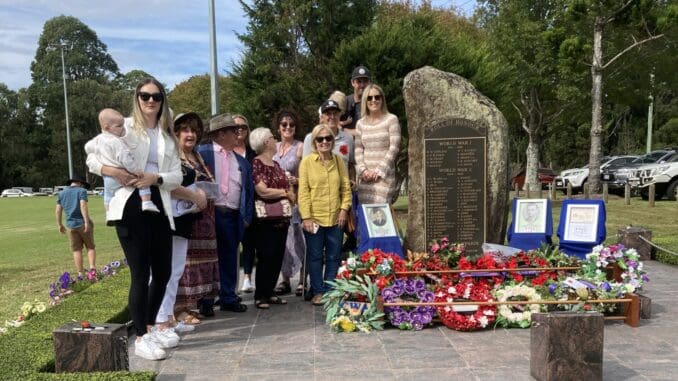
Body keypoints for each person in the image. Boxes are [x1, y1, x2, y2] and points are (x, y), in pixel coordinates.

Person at [86, 77, 183, 361]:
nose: (150, 101)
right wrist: (112, 171)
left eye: (156, 96)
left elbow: (176, 174)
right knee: (141, 273)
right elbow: (92, 156)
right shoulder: (123, 126)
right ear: (137, 98)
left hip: (160, 201)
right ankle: (140, 335)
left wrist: (157, 177)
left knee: (163, 271)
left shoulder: (167, 136)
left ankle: (151, 327)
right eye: (144, 96)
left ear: (162, 100)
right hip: (130, 203)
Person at [153, 112, 209, 333]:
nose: (190, 134)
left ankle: (168, 318)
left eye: (193, 130)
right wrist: (194, 196)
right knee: (161, 272)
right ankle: (160, 321)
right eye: (184, 130)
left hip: (183, 219)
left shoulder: (186, 156)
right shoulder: (166, 155)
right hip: (167, 218)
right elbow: (164, 185)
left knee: (175, 271)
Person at [197, 113, 253, 313]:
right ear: (221, 134)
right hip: (209, 213)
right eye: (233, 130)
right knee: (207, 257)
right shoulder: (202, 153)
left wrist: (246, 217)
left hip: (232, 214)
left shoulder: (241, 161)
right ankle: (206, 301)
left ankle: (228, 297)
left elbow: (247, 190)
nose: (238, 134)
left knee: (230, 257)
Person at [298, 124, 352, 306]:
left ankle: (329, 290)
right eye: (320, 139)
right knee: (314, 256)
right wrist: (306, 217)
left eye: (328, 138)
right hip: (314, 218)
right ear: (314, 142)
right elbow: (303, 192)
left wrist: (344, 209)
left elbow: (346, 188)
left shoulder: (338, 161)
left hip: (336, 217)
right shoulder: (306, 163)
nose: (324, 142)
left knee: (333, 256)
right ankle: (318, 291)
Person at [249, 127, 294, 309]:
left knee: (277, 255)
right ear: (266, 142)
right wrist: (285, 192)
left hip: (281, 218)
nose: (275, 140)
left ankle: (270, 291)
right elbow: (262, 190)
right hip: (265, 219)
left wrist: (290, 191)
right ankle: (260, 295)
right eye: (272, 137)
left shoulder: (276, 165)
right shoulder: (256, 163)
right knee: (266, 255)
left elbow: (287, 184)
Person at [84, 108, 160, 216]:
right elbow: (125, 159)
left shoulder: (98, 139)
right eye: (119, 126)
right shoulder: (117, 141)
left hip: (108, 179)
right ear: (107, 127)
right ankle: (146, 201)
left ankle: (109, 213)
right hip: (123, 174)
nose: (123, 129)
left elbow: (88, 148)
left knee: (108, 195)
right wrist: (134, 170)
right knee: (142, 182)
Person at [271, 109, 306, 297]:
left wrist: (297, 180)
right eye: (284, 124)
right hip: (277, 202)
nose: (288, 127)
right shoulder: (273, 148)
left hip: (296, 200)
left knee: (298, 239)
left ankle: (302, 279)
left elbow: (307, 175)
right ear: (278, 128)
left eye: (291, 124)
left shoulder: (300, 147)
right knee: (282, 241)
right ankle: (284, 280)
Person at [355, 83, 401, 205]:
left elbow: (394, 147)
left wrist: (379, 171)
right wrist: (363, 171)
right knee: (365, 217)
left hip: (384, 177)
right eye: (369, 98)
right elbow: (358, 149)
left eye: (377, 97)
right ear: (365, 101)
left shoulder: (391, 119)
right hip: (365, 179)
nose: (373, 100)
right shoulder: (360, 123)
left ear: (382, 99)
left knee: (381, 218)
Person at [232, 114, 257, 294]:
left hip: (250, 203)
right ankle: (230, 283)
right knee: (230, 247)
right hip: (231, 204)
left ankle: (247, 277)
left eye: (243, 127)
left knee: (249, 243)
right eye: (236, 127)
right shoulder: (225, 152)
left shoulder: (253, 152)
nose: (240, 130)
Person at [55, 175, 96, 279]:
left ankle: (80, 273)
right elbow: (83, 205)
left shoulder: (61, 193)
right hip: (82, 223)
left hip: (70, 225)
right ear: (80, 183)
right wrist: (86, 222)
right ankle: (92, 269)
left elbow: (58, 210)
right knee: (90, 247)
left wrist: (59, 224)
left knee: (76, 250)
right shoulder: (81, 191)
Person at [341, 65, 372, 134]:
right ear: (352, 82)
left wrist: (348, 131)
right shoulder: (344, 102)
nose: (362, 85)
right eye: (359, 81)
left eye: (365, 81)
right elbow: (331, 123)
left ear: (369, 82)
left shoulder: (374, 102)